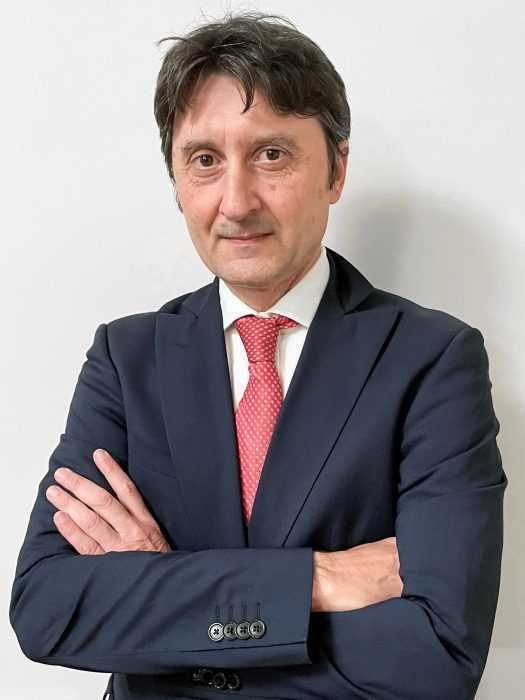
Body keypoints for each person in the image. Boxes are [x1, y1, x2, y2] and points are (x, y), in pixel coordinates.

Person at [9, 10, 507, 700]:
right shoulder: (127, 358)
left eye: (271, 154)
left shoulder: (431, 360)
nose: (236, 202)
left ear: (336, 169)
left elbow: (438, 657)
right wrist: (315, 581)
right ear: (176, 181)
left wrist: (163, 587)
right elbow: (46, 610)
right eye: (204, 160)